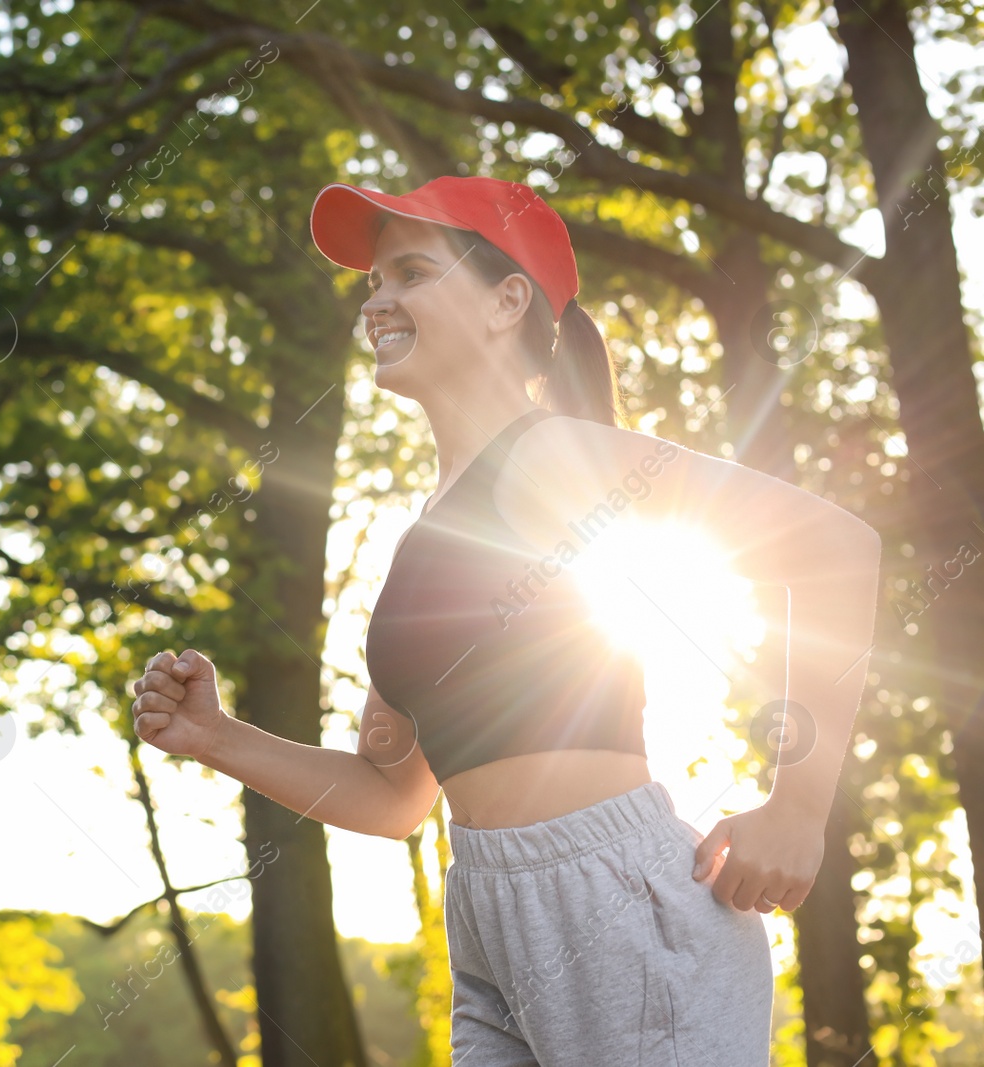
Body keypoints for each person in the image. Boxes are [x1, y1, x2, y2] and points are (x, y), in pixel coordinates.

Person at [128, 175, 881, 1064]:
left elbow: (836, 549)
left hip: (618, 902)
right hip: (487, 915)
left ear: (506, 301)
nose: (379, 299)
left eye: (410, 272)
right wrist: (217, 737)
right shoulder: (420, 538)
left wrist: (797, 807)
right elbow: (395, 798)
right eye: (373, 282)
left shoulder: (552, 452)